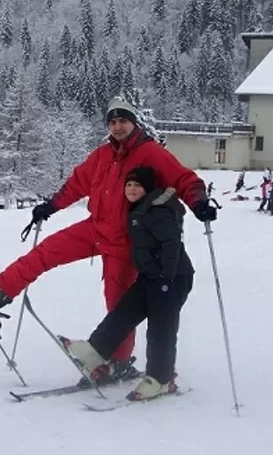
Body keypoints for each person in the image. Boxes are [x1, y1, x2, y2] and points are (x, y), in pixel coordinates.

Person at [0, 97, 214, 385]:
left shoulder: (150, 153)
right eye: (113, 122)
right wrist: (52, 205)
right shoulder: (102, 155)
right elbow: (77, 183)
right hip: (95, 229)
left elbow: (184, 180)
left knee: (117, 303)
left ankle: (117, 362)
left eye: (123, 121)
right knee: (46, 251)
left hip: (126, 242)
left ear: (134, 123)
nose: (118, 127)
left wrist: (199, 202)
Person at [61, 167, 194, 400]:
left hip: (171, 279)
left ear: (147, 188)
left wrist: (166, 279)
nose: (131, 189)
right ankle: (94, 352)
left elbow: (172, 245)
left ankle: (161, 379)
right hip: (150, 276)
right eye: (128, 185)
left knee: (161, 329)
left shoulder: (157, 211)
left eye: (137, 185)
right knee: (124, 312)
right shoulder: (141, 209)